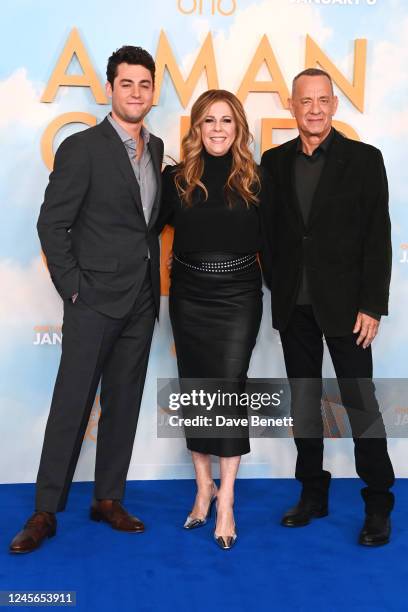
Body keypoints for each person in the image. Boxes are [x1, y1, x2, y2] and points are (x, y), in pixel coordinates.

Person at [9, 46, 164, 554]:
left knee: (123, 404)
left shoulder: (157, 149)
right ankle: (44, 511)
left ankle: (107, 500)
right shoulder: (82, 147)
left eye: (144, 85)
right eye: (127, 84)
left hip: (141, 299)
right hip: (92, 299)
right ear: (110, 89)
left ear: (152, 91)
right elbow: (52, 224)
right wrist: (73, 287)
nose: (136, 93)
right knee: (71, 404)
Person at [261, 68, 394, 546]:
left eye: (322, 100)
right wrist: (276, 284)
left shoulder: (364, 160)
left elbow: (378, 238)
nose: (314, 109)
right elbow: (270, 236)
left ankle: (378, 502)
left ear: (334, 105)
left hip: (348, 309)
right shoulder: (273, 163)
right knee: (304, 402)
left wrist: (372, 305)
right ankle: (312, 494)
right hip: (294, 306)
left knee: (361, 404)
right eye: (305, 101)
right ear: (291, 106)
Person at [159, 89, 270, 549]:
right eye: (209, 121)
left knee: (229, 388)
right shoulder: (176, 179)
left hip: (240, 295)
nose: (218, 129)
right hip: (189, 295)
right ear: (197, 129)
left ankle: (226, 500)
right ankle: (202, 487)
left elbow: (284, 240)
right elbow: (139, 228)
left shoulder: (258, 180)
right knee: (197, 388)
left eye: (226, 120)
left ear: (238, 128)